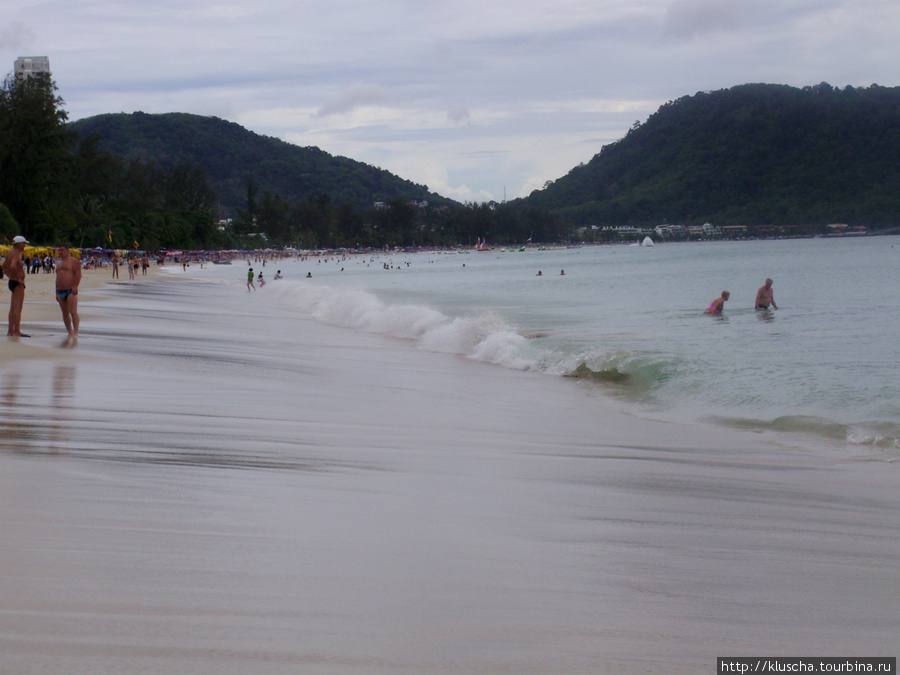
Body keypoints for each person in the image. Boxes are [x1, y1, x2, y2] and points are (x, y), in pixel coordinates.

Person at [3, 235, 29, 336]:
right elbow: (12, 266)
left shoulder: (11, 252)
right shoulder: (16, 253)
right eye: (24, 243)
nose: (25, 245)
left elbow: (4, 266)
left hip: (12, 281)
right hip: (17, 283)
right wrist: (19, 278)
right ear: (19, 244)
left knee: (13, 307)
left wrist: (10, 275)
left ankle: (11, 330)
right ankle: (17, 331)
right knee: (18, 307)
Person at [55, 245, 82, 337]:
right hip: (60, 291)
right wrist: (56, 291)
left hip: (70, 290)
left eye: (62, 250)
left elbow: (78, 273)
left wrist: (75, 286)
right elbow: (57, 278)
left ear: (67, 251)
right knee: (65, 313)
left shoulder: (73, 261)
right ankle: (69, 332)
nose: (60, 252)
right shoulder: (59, 264)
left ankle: (76, 332)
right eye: (59, 250)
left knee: (73, 311)